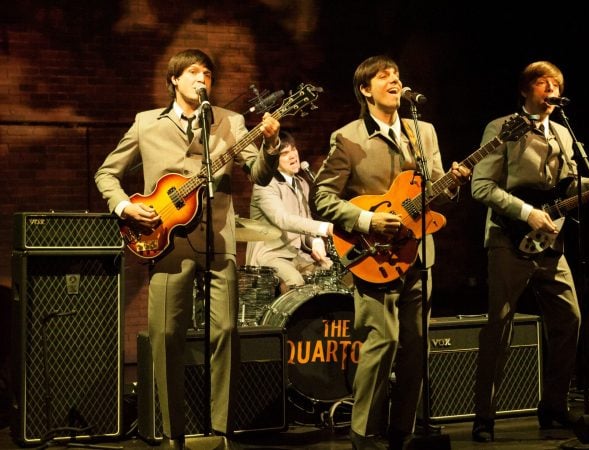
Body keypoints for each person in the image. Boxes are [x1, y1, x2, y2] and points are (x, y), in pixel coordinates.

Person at [94, 48, 281, 449]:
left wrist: (271, 143)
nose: (203, 79)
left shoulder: (231, 122)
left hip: (219, 238)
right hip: (164, 239)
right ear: (174, 80)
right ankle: (172, 431)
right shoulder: (147, 123)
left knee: (227, 330)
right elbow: (107, 173)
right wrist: (127, 206)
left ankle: (219, 430)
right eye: (194, 72)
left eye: (208, 74)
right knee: (165, 334)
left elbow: (261, 174)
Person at [470, 60, 589, 442]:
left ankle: (553, 407)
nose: (552, 88)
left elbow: (571, 187)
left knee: (570, 319)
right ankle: (484, 416)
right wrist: (527, 212)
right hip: (508, 240)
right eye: (544, 82)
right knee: (499, 326)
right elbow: (480, 187)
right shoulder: (501, 128)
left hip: (551, 243)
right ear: (526, 89)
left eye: (558, 83)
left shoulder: (564, 135)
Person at [313, 55, 471, 450]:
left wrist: (452, 184)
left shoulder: (424, 132)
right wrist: (366, 221)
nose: (394, 80)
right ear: (366, 89)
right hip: (373, 256)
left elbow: (434, 196)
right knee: (381, 344)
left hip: (419, 255)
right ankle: (363, 434)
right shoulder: (347, 137)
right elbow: (322, 197)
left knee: (416, 349)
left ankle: (402, 433)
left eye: (397, 75)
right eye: (384, 76)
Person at [245, 130, 335, 294]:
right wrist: (324, 228)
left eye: (293, 149)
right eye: (285, 153)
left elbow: (304, 226)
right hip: (271, 255)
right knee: (294, 281)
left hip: (297, 254)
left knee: (333, 273)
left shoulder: (302, 183)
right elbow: (283, 219)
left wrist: (315, 241)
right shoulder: (264, 185)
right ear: (273, 160)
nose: (293, 156)